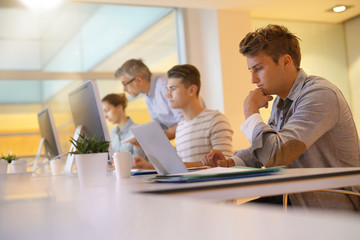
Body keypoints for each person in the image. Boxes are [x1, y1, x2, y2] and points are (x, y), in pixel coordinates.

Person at [201, 24, 360, 211]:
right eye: (250, 70)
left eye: (258, 68)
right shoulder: (280, 102)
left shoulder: (320, 95)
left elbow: (276, 155)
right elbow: (264, 150)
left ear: (286, 62)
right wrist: (229, 163)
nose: (253, 79)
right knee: (224, 217)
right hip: (293, 197)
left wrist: (251, 112)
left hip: (330, 205)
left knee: (231, 220)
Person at [133, 64, 233, 169]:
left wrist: (153, 166)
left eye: (173, 89)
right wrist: (149, 166)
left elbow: (225, 166)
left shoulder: (216, 120)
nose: (168, 95)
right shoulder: (180, 127)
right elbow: (181, 169)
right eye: (168, 89)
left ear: (192, 90)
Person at [115, 59, 183, 141]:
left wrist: (156, 137)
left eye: (125, 84)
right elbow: (161, 128)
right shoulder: (148, 96)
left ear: (139, 80)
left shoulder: (163, 85)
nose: (124, 89)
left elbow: (184, 121)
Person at [102, 93, 147, 160]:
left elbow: (139, 161)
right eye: (104, 112)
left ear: (119, 107)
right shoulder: (113, 133)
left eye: (107, 110)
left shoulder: (137, 131)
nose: (105, 116)